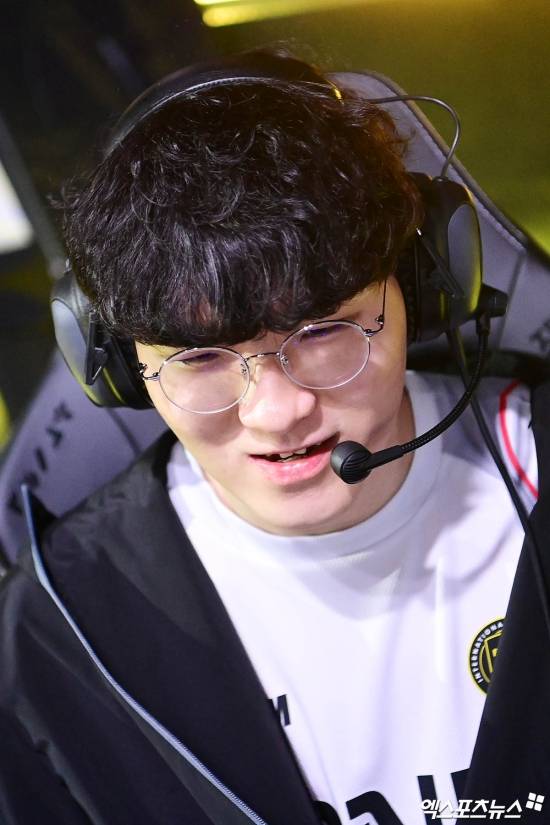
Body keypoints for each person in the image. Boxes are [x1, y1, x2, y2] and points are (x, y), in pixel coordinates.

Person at [0, 48, 548, 825]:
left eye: (323, 330)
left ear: (425, 286)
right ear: (120, 368)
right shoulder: (55, 640)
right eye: (198, 357)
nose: (278, 412)